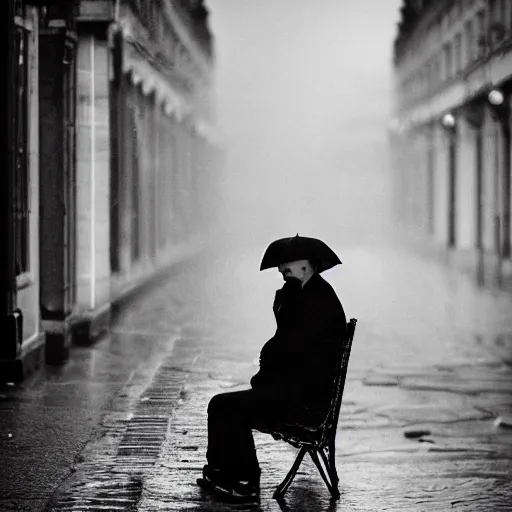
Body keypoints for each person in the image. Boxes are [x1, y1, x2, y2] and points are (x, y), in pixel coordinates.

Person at [197, 257, 347, 504]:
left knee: (226, 406)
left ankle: (245, 483)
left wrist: (284, 309)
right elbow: (288, 347)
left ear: (305, 266)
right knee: (221, 404)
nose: (280, 269)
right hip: (302, 393)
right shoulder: (311, 294)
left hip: (302, 403)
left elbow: (286, 350)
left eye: (286, 265)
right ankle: (222, 474)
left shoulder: (315, 302)